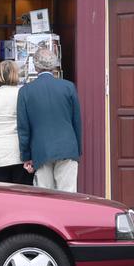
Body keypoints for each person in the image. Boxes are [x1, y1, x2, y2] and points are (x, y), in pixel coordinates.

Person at [17, 48, 82, 192]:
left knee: (44, 196)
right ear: (54, 65)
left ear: (35, 66)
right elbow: (76, 121)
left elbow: (23, 128)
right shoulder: (68, 87)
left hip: (41, 150)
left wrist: (26, 156)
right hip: (67, 148)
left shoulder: (25, 91)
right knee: (68, 195)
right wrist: (77, 150)